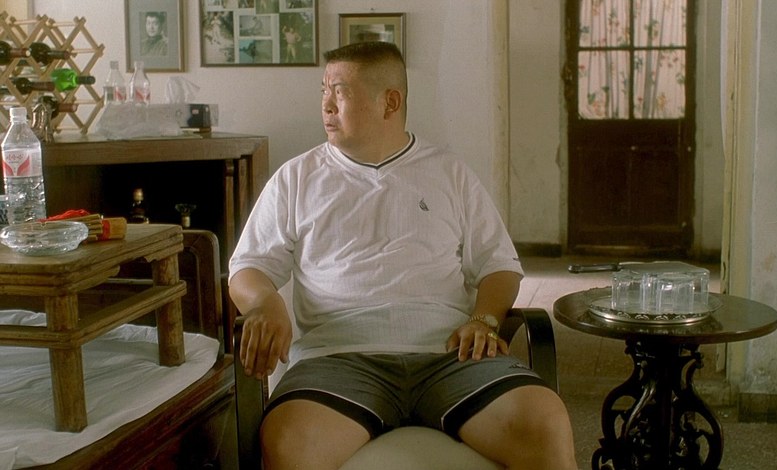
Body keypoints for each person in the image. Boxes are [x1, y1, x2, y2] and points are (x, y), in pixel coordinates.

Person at [229, 41, 577, 470]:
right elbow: (249, 266)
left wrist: (485, 318)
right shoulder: (297, 178)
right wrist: (264, 302)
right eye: (324, 90)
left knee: (545, 422)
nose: (326, 105)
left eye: (340, 92)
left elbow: (499, 265)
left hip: (450, 355)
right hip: (336, 359)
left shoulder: (448, 172)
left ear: (389, 102)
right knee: (289, 441)